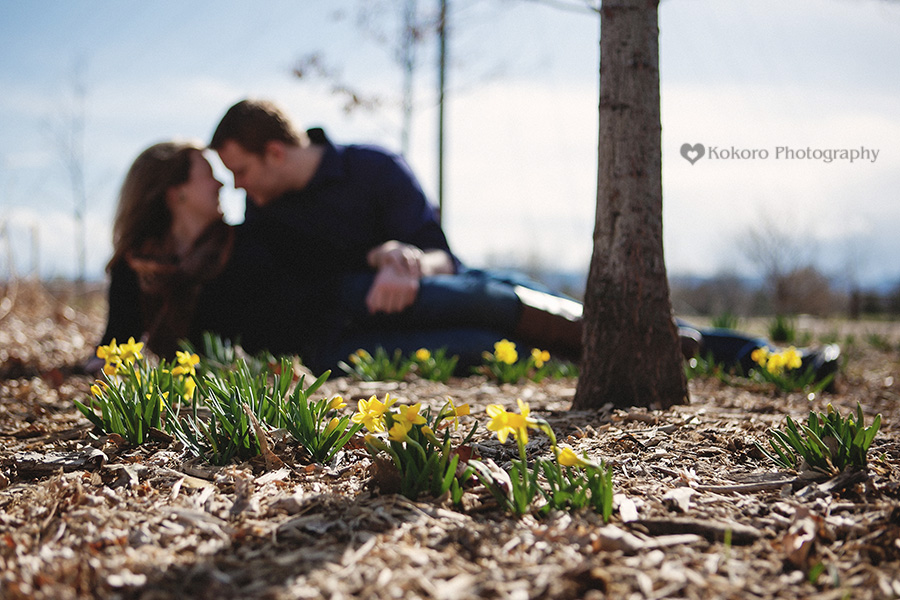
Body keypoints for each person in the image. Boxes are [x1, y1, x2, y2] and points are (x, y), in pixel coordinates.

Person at [208, 98, 583, 372]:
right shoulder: (263, 209)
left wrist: (405, 263)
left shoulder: (374, 168)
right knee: (484, 346)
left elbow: (443, 258)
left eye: (240, 171)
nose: (237, 186)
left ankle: (599, 338)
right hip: (360, 327)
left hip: (439, 291)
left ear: (274, 153)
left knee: (493, 299)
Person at [93, 141, 310, 368]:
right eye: (209, 175)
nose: (220, 183)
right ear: (177, 193)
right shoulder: (134, 266)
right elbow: (113, 350)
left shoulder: (249, 249)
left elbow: (281, 344)